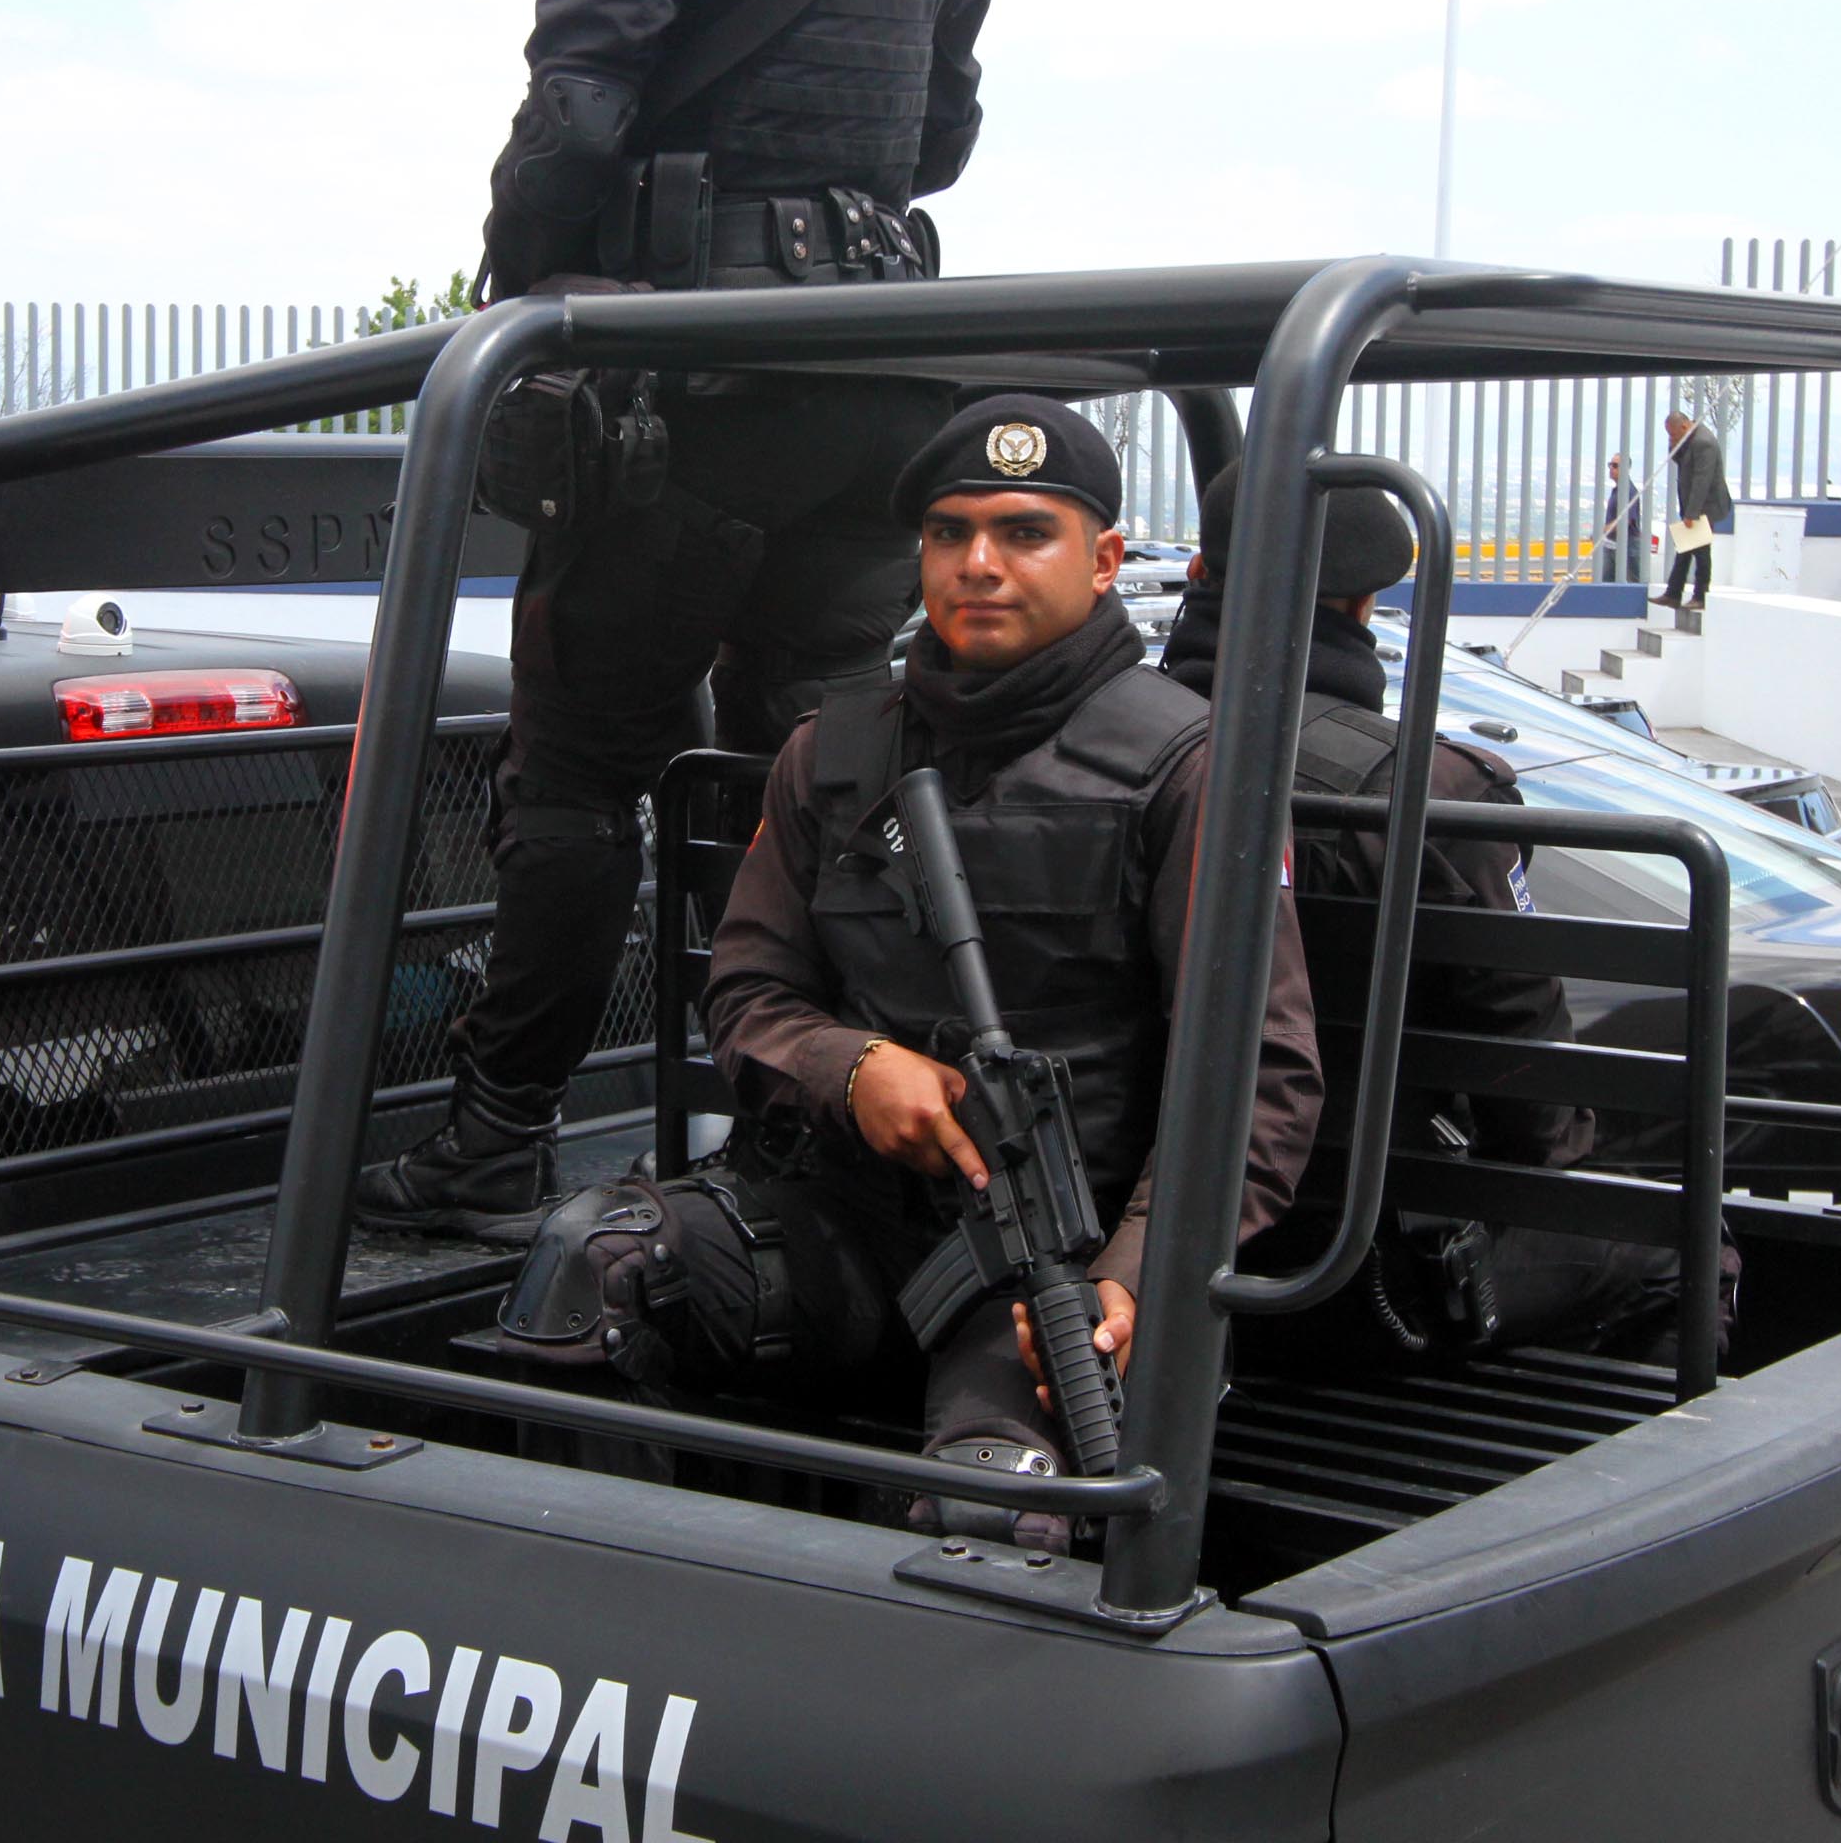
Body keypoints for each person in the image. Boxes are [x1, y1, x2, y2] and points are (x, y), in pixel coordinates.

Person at [361, 0, 992, 1234]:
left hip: (681, 395)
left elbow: (573, 113)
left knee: (576, 774)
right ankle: (794, 1148)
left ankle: (493, 1143)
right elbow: (940, 137)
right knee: (805, 776)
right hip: (865, 384)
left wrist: (524, 310)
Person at [494, 398, 1328, 1546]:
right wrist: (851, 1070)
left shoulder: (1189, 769)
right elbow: (745, 991)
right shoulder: (832, 755)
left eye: (1025, 532)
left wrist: (1138, 1277)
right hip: (844, 1225)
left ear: (1104, 562)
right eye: (949, 532)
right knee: (589, 1267)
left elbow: (1258, 1079)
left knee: (1000, 1513)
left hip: (1056, 1262)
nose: (979, 563)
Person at [1163, 466, 1700, 1366]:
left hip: (1143, 1242)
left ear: (1198, 577)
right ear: (1368, 601)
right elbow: (1523, 1070)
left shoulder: (1112, 751)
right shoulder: (1433, 793)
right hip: (1357, 1266)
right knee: (1675, 1248)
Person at [1660, 410, 1731, 608]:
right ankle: (1673, 593)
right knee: (1684, 550)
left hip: (1705, 505)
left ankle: (1700, 596)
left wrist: (1691, 513)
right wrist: (1673, 444)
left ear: (1684, 427)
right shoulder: (1689, 439)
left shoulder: (1703, 442)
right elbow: (1679, 459)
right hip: (1692, 503)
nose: (1671, 438)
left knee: (1701, 551)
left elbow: (1702, 480)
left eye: (1673, 435)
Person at [1597, 455, 1645, 584]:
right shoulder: (1618, 490)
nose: (1611, 468)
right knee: (1608, 583)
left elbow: (1627, 520)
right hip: (1613, 543)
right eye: (1610, 465)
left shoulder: (1628, 491)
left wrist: (1604, 531)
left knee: (1633, 582)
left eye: (1615, 466)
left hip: (1628, 544)